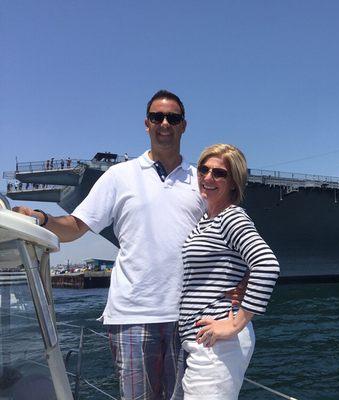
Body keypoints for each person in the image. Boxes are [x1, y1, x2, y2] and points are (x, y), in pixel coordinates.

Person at [14, 90, 205, 400]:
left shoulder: (201, 180)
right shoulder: (119, 176)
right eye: (157, 117)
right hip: (131, 315)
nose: (165, 123)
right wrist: (40, 218)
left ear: (184, 125)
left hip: (187, 315)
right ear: (146, 124)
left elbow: (223, 235)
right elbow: (75, 227)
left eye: (173, 118)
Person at [179, 144, 280, 400]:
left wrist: (236, 324)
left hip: (218, 346)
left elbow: (267, 264)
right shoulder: (205, 220)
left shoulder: (231, 217)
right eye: (204, 169)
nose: (208, 177)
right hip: (202, 343)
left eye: (219, 173)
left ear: (234, 182)